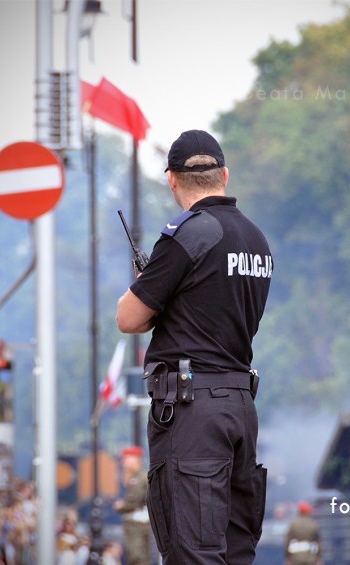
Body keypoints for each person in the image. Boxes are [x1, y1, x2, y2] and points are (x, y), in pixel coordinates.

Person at [116, 129, 273, 564]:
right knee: (235, 551)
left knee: (193, 553)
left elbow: (128, 318)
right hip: (240, 407)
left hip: (192, 413)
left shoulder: (188, 234)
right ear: (224, 174)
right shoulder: (257, 240)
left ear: (172, 180)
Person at [112, 446, 150, 565]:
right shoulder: (134, 477)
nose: (123, 463)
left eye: (126, 459)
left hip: (137, 525)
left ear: (135, 459)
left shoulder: (140, 478)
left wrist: (121, 506)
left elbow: (133, 501)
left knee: (137, 557)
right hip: (134, 525)